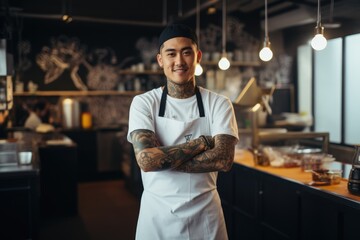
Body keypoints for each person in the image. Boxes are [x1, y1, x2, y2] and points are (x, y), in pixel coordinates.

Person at [127, 23, 239, 240]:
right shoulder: (143, 103)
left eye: (186, 53)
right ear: (160, 60)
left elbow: (224, 159)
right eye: (171, 54)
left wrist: (163, 160)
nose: (179, 61)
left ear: (197, 57)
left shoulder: (219, 103)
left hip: (205, 215)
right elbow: (147, 161)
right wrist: (202, 143)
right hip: (158, 215)